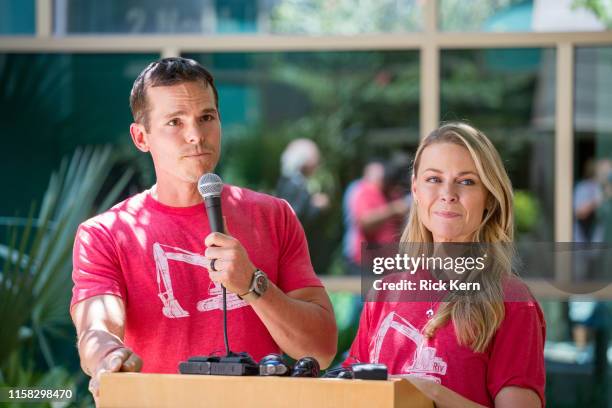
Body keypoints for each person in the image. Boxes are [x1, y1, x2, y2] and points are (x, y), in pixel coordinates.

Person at [70, 57, 337, 400]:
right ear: (141, 137)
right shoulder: (106, 233)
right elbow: (97, 329)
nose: (195, 135)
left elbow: (322, 348)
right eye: (174, 122)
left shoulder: (274, 215)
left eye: (206, 117)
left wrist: (253, 285)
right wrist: (109, 358)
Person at [345, 122, 546, 407]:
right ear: (415, 190)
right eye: (434, 179)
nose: (448, 193)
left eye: (466, 181)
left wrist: (430, 394)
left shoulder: (512, 301)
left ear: (488, 198)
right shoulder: (385, 292)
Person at [343, 159, 410, 275]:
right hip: (364, 262)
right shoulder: (365, 190)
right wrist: (393, 209)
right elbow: (365, 222)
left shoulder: (391, 194)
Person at [276, 138, 329, 225]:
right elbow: (294, 217)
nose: (317, 163)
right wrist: (316, 207)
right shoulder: (294, 184)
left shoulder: (292, 181)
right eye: (315, 157)